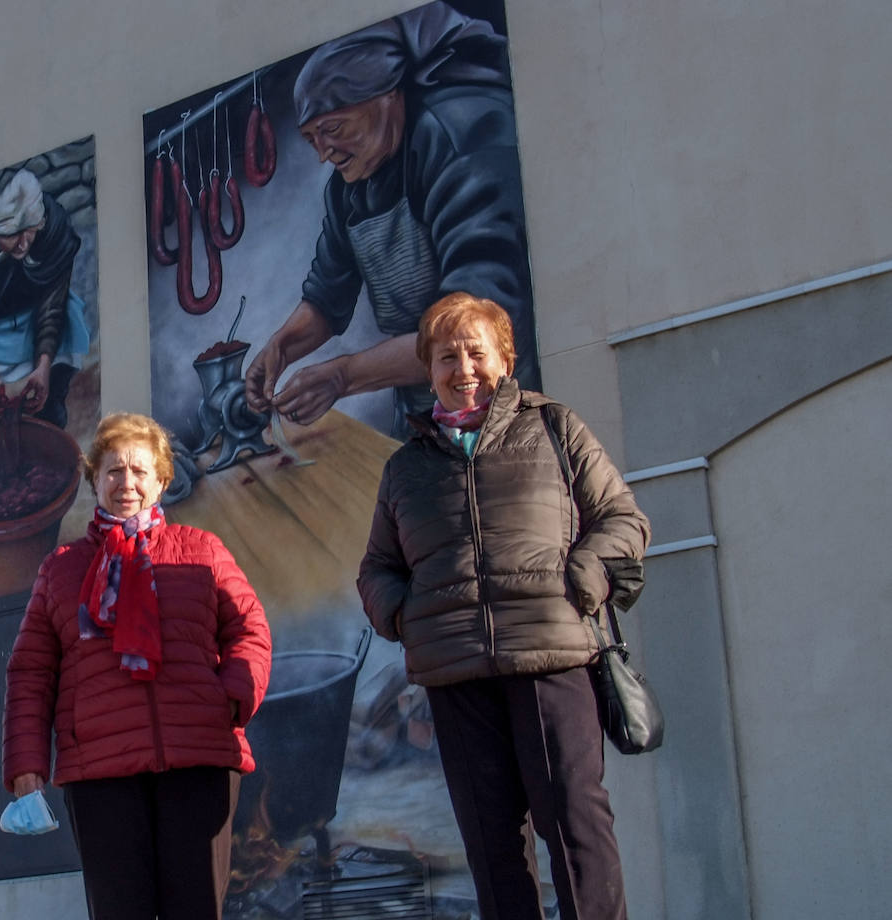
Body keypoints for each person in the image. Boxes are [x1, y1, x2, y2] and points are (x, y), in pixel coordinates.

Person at [357, 293, 650, 920]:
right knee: (492, 848)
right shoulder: (406, 468)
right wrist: (405, 616)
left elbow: (623, 520)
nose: (462, 368)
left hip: (551, 653)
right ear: (428, 371)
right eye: (444, 357)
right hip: (456, 672)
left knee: (576, 827)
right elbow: (377, 567)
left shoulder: (554, 427)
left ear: (504, 359)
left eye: (475, 351)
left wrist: (584, 578)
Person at [4, 412, 272, 920]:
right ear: (94, 481)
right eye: (113, 471)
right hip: (99, 770)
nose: (126, 483)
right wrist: (26, 763)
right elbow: (31, 672)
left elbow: (248, 629)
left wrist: (233, 695)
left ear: (162, 481)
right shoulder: (61, 568)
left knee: (196, 909)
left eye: (140, 471)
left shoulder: (202, 550)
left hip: (198, 755)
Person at [245, 3, 536, 438]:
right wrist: (280, 348)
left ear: (389, 96)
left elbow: (475, 321)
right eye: (311, 139)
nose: (324, 153)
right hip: (423, 410)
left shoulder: (460, 140)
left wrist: (344, 375)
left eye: (335, 129)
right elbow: (328, 294)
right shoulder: (348, 184)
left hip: (495, 411)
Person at [0, 168, 90, 429]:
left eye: (28, 232)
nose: (22, 244)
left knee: (70, 317)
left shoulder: (56, 233)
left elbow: (53, 305)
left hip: (37, 321)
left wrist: (43, 365)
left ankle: (50, 414)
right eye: (12, 236)